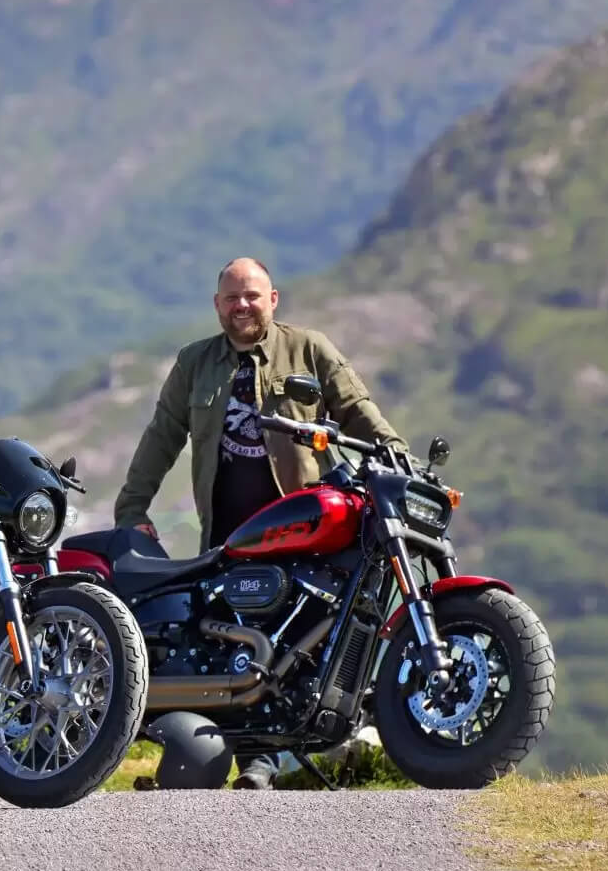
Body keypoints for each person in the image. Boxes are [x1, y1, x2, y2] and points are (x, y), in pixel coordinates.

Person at [112, 256, 399, 789]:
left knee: (294, 641)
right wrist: (132, 512)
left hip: (301, 525)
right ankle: (221, 757)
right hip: (228, 532)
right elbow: (162, 438)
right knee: (229, 644)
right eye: (230, 297)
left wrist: (396, 458)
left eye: (251, 295)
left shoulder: (309, 349)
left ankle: (264, 762)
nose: (241, 305)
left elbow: (357, 407)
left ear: (273, 299)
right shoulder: (195, 362)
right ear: (217, 305)